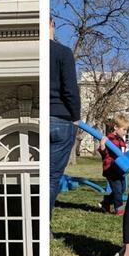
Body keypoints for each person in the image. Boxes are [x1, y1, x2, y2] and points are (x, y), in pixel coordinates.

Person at [50, 16, 81, 210]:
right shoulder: (62, 52)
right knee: (51, 178)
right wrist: (76, 116)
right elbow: (70, 89)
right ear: (52, 24)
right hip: (60, 119)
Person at [98, 115, 129, 215]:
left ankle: (106, 202)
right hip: (111, 169)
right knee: (117, 190)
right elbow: (104, 154)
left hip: (120, 169)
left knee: (123, 188)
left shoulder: (121, 140)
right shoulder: (109, 139)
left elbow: (123, 153)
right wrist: (103, 145)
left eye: (127, 130)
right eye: (124, 129)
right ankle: (119, 209)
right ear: (116, 127)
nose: (126, 132)